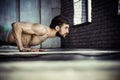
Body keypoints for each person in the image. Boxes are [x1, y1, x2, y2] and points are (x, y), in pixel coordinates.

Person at [0, 15, 70, 52]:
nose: (68, 31)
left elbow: (26, 39)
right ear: (57, 28)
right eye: (66, 28)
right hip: (2, 33)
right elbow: (16, 25)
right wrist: (21, 47)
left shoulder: (46, 35)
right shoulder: (42, 29)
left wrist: (29, 49)